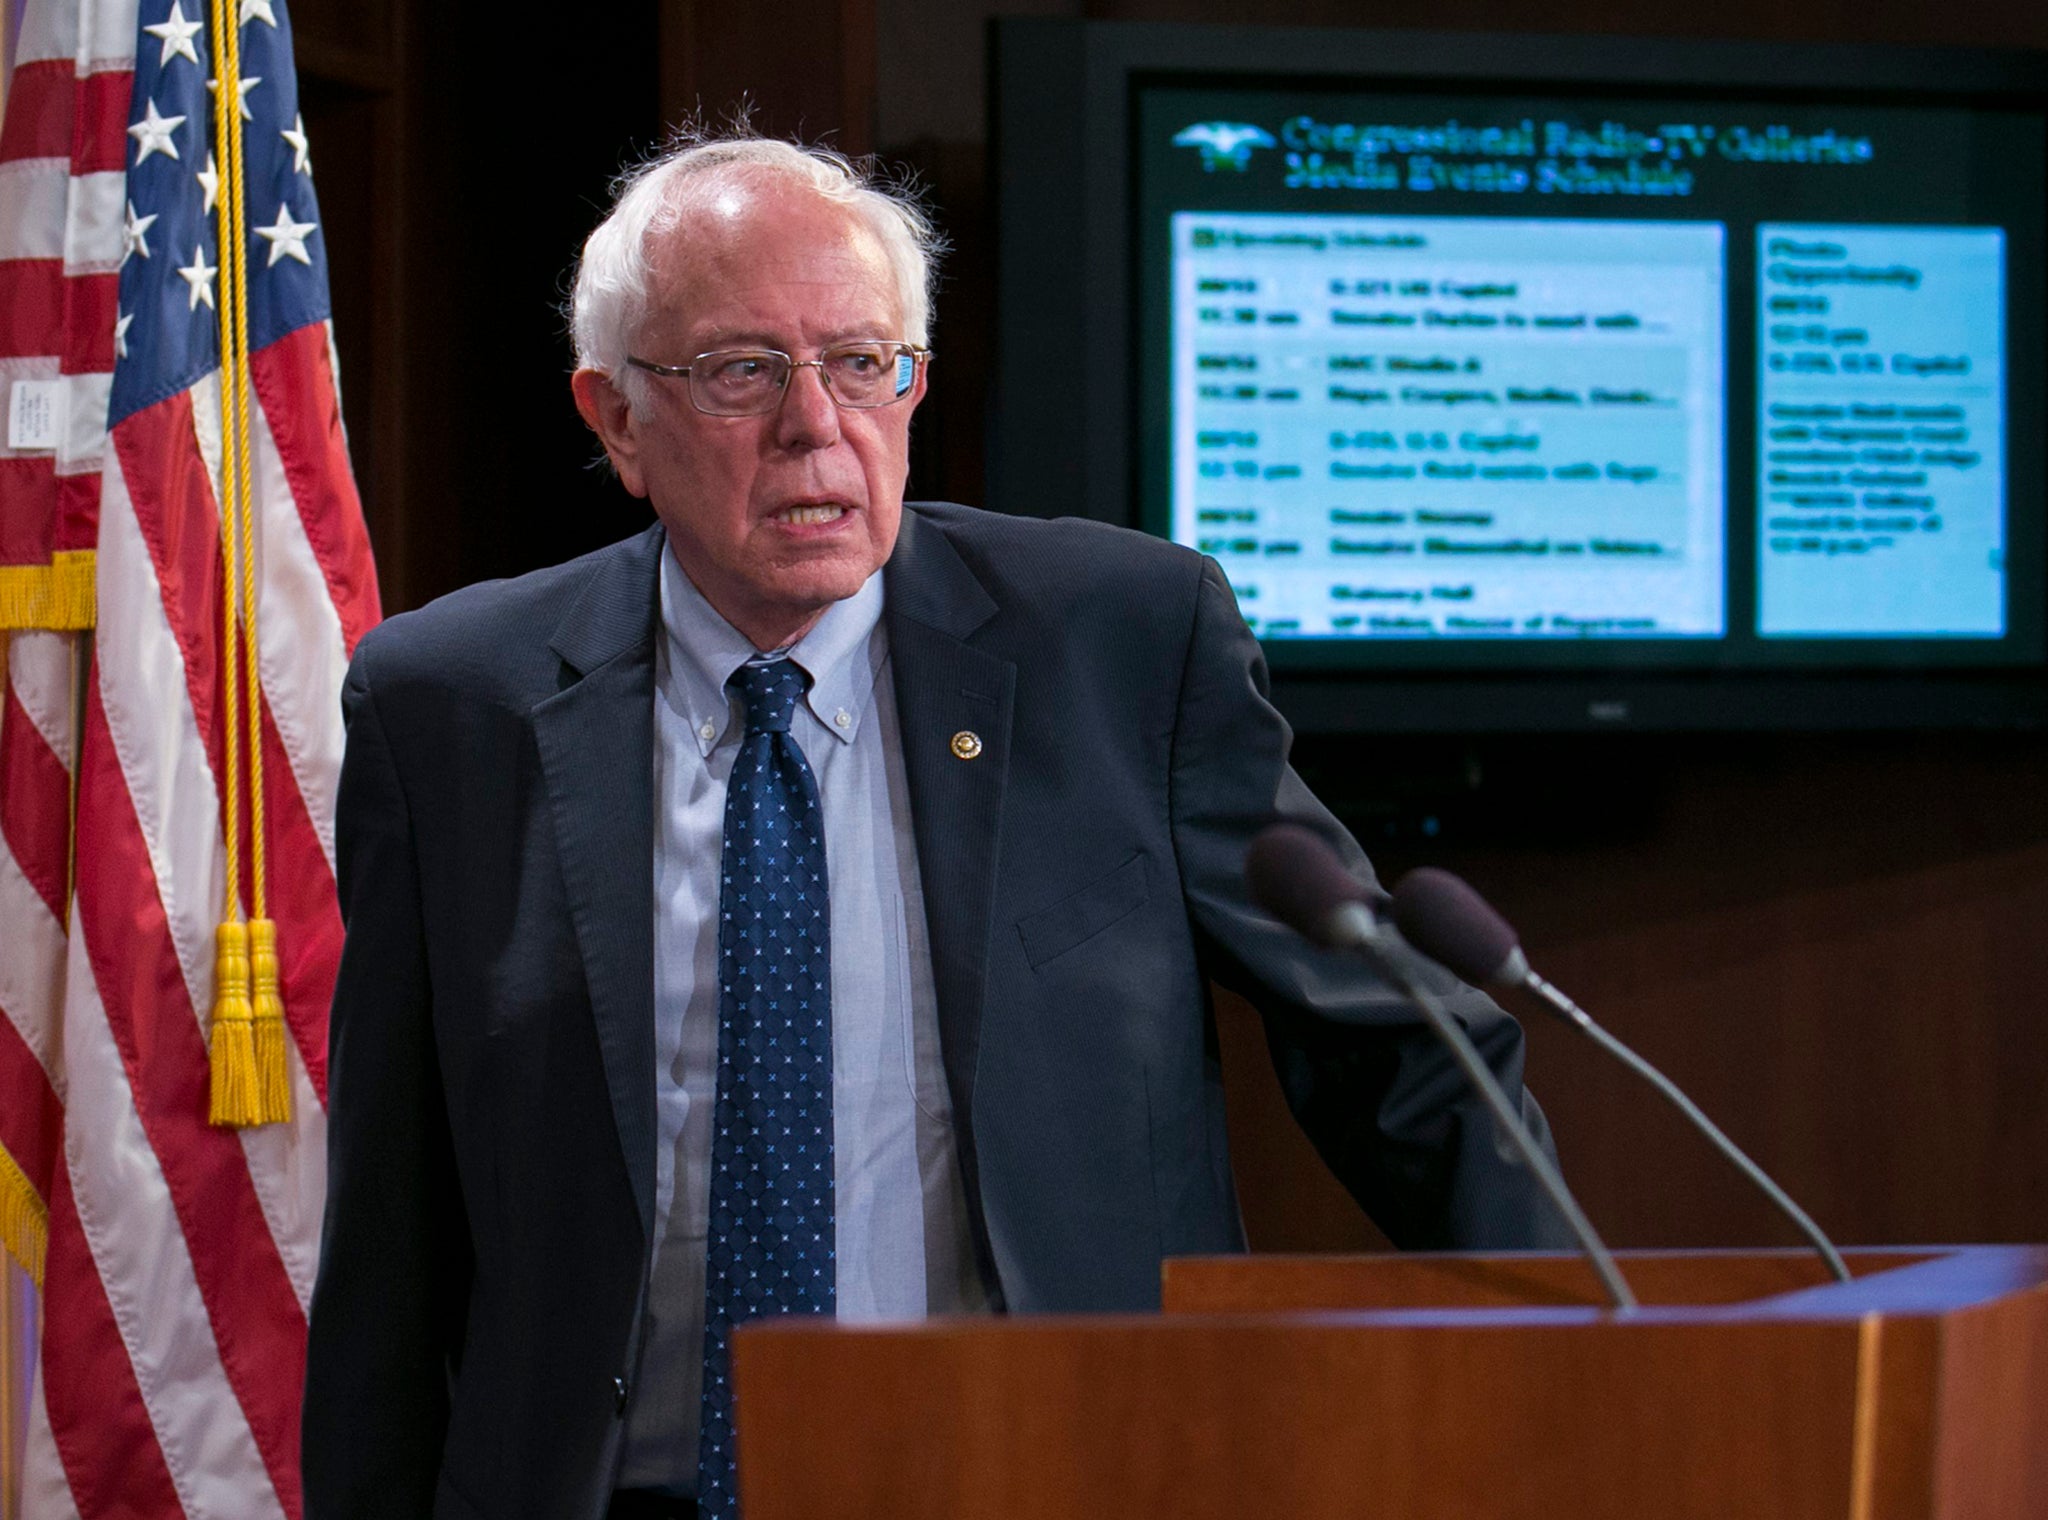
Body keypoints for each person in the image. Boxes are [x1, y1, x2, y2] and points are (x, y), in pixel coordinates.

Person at [301, 133, 1568, 1520]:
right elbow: (391, 1231)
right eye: (743, 372)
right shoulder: (452, 704)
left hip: (1047, 1477)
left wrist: (1595, 1381)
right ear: (613, 420)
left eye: (862, 363)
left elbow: (1402, 1056)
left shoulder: (1121, 644)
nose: (816, 426)